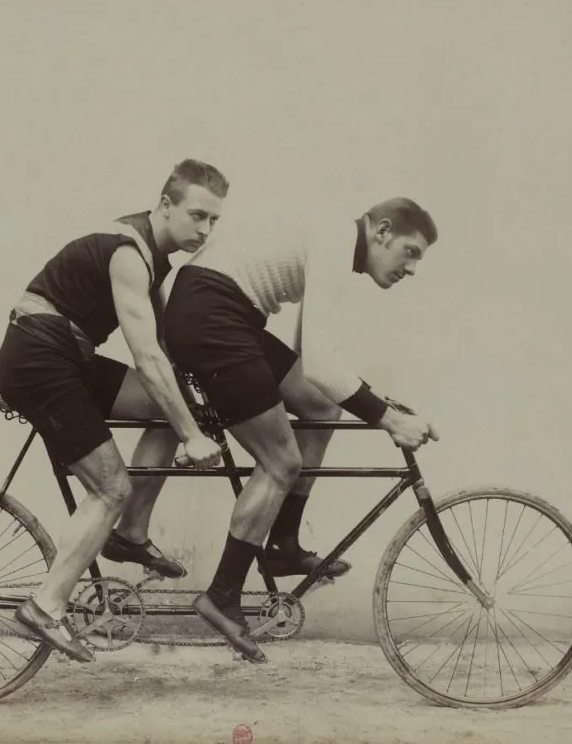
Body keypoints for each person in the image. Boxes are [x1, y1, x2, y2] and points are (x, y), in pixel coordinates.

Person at [162, 196, 442, 662]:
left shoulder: (333, 238)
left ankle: (283, 545)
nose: (411, 269)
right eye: (410, 252)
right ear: (382, 231)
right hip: (211, 314)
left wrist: (365, 398)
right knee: (280, 461)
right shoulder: (336, 238)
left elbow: (311, 367)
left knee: (321, 408)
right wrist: (389, 420)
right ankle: (222, 595)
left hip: (224, 312)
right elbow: (321, 361)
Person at [0, 159, 229, 662]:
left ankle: (129, 533)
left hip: (59, 354)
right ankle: (45, 606)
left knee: (173, 405)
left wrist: (195, 408)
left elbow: (167, 352)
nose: (205, 230)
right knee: (111, 486)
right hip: (42, 355)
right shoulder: (129, 253)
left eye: (215, 221)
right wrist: (192, 436)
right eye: (197, 216)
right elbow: (146, 355)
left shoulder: (154, 256)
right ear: (165, 206)